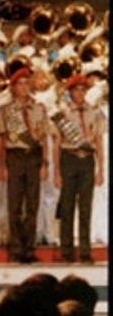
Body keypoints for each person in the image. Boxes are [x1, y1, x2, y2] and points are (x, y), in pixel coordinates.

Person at [0, 66, 53, 264]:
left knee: (32, 204)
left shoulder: (39, 108)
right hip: (15, 157)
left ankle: (29, 248)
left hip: (34, 157)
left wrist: (45, 164)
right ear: (13, 87)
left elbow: (44, 138)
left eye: (27, 83)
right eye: (20, 84)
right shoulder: (6, 111)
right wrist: (1, 165)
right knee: (14, 205)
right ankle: (15, 248)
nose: (24, 87)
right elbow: (1, 140)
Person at [53, 75, 105, 264]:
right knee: (66, 206)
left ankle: (84, 251)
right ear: (70, 92)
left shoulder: (94, 112)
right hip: (69, 158)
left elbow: (98, 141)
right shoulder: (63, 113)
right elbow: (57, 143)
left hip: (87, 160)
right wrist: (57, 172)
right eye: (76, 90)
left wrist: (100, 169)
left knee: (85, 207)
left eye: (83, 89)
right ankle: (66, 250)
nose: (80, 93)